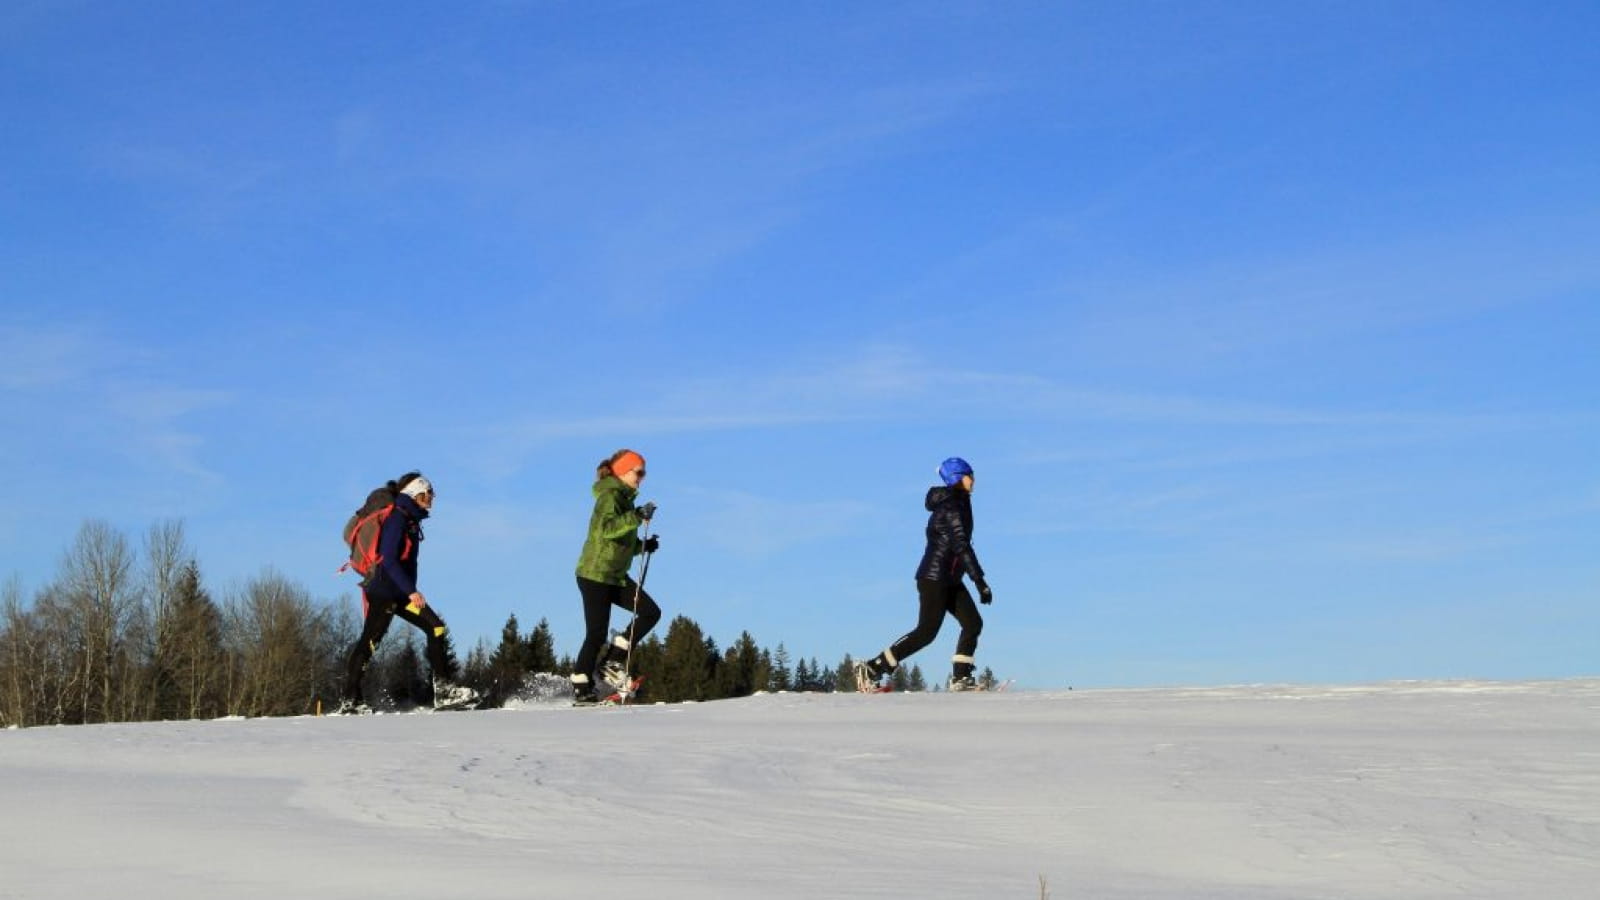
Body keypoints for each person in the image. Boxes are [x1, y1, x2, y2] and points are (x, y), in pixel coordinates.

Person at [338, 472, 478, 713]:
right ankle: (350, 700)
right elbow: (388, 560)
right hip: (384, 591)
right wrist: (411, 591)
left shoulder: (410, 520)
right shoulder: (398, 518)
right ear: (416, 494)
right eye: (429, 493)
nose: (432, 497)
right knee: (370, 641)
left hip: (399, 593)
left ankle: (444, 691)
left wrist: (407, 591)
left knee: (435, 626)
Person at [855, 457, 993, 692]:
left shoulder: (959, 502)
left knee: (972, 623)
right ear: (959, 478)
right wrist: (979, 581)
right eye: (970, 475)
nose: (974, 480)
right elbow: (962, 545)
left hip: (949, 578)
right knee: (926, 632)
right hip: (934, 578)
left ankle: (961, 678)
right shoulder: (952, 506)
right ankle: (872, 668)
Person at [571, 449, 662, 705]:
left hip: (616, 576)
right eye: (639, 472)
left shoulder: (623, 499)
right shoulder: (609, 497)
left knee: (650, 613)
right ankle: (581, 684)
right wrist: (635, 516)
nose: (642, 478)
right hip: (595, 575)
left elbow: (619, 541)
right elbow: (607, 529)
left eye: (643, 473)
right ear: (623, 471)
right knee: (596, 634)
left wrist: (642, 547)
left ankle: (613, 659)